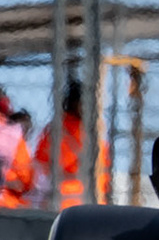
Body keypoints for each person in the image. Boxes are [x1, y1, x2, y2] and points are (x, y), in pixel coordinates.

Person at [33, 81, 106, 209]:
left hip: (82, 202)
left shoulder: (90, 130)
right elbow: (43, 168)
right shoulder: (61, 130)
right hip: (67, 202)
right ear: (74, 103)